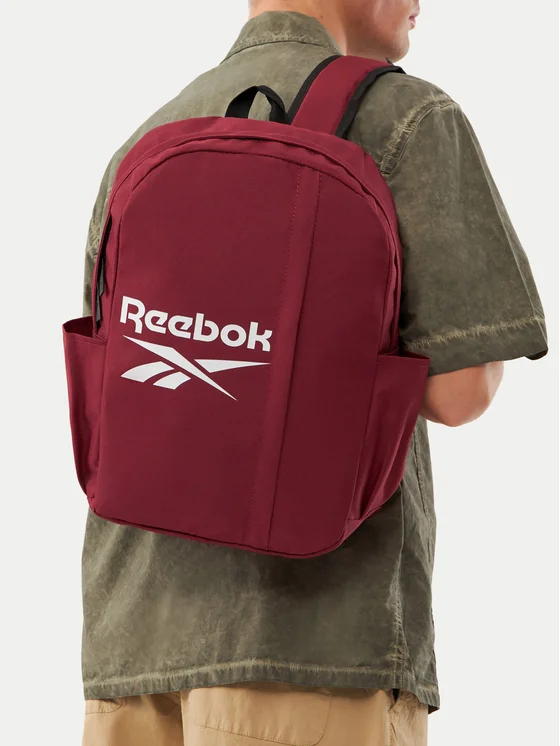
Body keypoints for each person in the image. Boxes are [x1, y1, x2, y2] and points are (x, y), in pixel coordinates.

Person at [80, 2, 548, 745]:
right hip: (308, 645)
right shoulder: (405, 117)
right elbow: (460, 393)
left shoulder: (154, 131)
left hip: (129, 647)